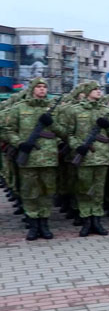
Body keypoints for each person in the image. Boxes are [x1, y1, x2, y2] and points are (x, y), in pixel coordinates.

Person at [5, 77, 67, 241]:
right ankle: (33, 224)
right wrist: (19, 143)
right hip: (29, 158)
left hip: (48, 158)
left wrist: (52, 124)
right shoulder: (19, 108)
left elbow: (64, 132)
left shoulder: (54, 110)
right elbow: (7, 130)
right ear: (32, 89)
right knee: (29, 192)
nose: (42, 89)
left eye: (44, 87)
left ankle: (44, 223)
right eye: (38, 87)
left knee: (47, 191)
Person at [64, 81, 109, 237]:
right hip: (84, 157)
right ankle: (86, 220)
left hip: (101, 157)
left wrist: (108, 126)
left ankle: (97, 221)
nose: (99, 91)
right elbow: (69, 134)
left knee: (99, 191)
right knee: (84, 189)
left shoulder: (107, 110)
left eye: (99, 89)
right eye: (95, 89)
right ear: (86, 92)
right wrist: (77, 146)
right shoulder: (75, 111)